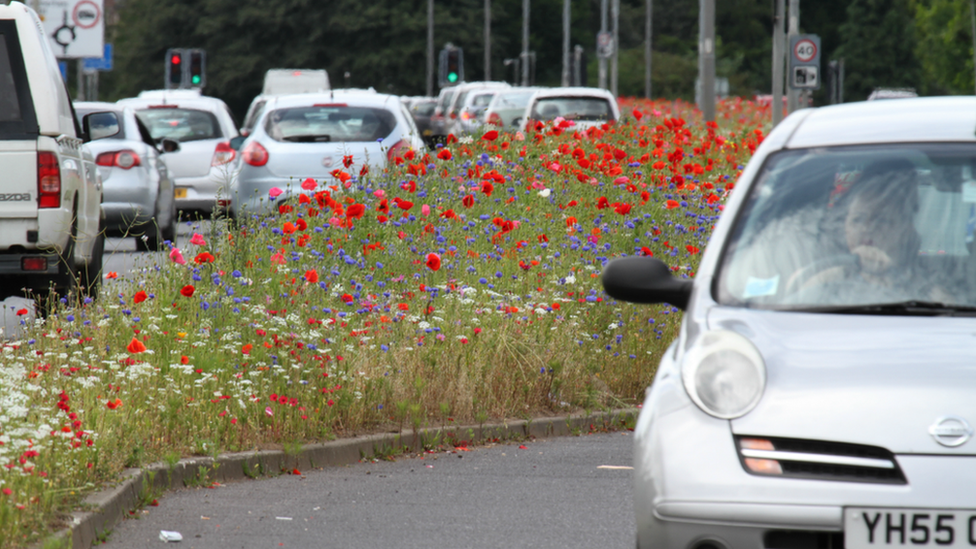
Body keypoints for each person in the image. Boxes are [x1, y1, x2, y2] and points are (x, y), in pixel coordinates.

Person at [787, 160, 951, 302]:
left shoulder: (928, 286)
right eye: (857, 219)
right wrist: (834, 275)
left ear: (906, 229)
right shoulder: (819, 274)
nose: (866, 229)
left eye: (882, 221)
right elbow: (791, 311)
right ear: (844, 225)